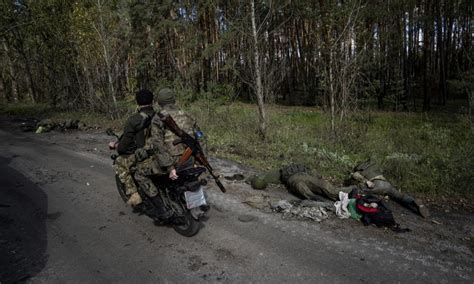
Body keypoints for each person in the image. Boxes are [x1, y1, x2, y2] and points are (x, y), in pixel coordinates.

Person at [109, 89, 177, 219]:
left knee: (120, 162)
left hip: (146, 155)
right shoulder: (161, 115)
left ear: (138, 102)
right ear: (152, 101)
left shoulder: (134, 120)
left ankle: (134, 195)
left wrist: (116, 145)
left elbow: (123, 146)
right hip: (164, 152)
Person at [348, 160, 430, 218]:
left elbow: (355, 175)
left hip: (376, 185)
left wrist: (365, 181)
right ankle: (413, 201)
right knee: (399, 196)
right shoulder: (375, 170)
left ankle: (337, 191)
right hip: (387, 185)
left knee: (358, 191)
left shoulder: (361, 171)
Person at [156, 87, 204, 168]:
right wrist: (202, 157)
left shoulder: (157, 118)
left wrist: (169, 166)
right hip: (191, 159)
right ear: (174, 100)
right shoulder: (189, 115)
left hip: (171, 160)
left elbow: (157, 143)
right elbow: (200, 136)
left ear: (159, 102)